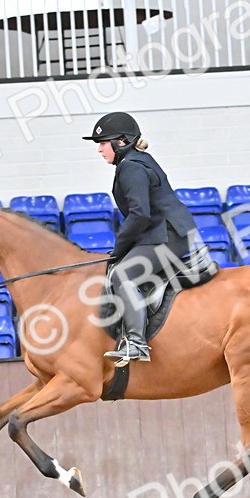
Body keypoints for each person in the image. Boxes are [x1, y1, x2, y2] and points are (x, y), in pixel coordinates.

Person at [83, 112, 199, 366]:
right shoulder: (136, 160)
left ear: (121, 142)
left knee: (122, 275)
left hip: (166, 235)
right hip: (163, 232)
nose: (100, 149)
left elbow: (139, 214)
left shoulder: (131, 167)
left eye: (103, 143)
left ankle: (136, 343)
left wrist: (119, 248)